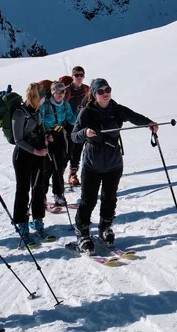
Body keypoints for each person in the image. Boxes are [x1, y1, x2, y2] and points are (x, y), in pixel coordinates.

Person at [71, 78, 157, 253]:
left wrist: (149, 123)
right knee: (88, 200)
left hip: (114, 164)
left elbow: (134, 117)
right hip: (92, 165)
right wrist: (84, 133)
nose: (105, 93)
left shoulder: (117, 110)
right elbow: (74, 135)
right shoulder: (87, 112)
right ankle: (82, 233)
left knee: (110, 198)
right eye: (101, 91)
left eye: (107, 89)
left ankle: (105, 228)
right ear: (94, 94)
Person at [12, 82, 51, 246]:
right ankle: (21, 223)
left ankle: (38, 219)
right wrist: (36, 151)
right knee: (23, 189)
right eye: (43, 98)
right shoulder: (19, 113)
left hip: (38, 153)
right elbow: (18, 139)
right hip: (23, 156)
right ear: (38, 98)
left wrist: (46, 135)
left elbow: (40, 128)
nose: (44, 100)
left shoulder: (36, 110)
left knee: (39, 187)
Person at [40, 81, 77, 208]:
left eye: (62, 92)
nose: (60, 94)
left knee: (59, 166)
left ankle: (59, 194)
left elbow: (71, 119)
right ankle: (42, 195)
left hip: (59, 135)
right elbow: (39, 120)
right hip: (45, 136)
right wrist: (45, 133)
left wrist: (80, 113)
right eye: (57, 92)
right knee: (46, 167)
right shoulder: (45, 105)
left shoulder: (65, 105)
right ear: (52, 92)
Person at [65, 66, 90, 186]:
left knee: (78, 149)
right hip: (68, 124)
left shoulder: (87, 89)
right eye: (77, 75)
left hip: (83, 123)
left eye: (81, 75)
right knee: (68, 150)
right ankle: (59, 173)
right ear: (72, 76)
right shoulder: (66, 91)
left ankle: (73, 173)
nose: (79, 77)